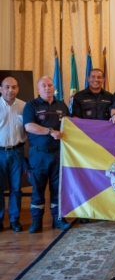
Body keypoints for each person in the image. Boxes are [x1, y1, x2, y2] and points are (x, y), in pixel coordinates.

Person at [23, 76, 71, 233]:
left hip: (58, 153)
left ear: (54, 87)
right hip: (39, 154)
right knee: (38, 188)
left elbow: (70, 125)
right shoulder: (31, 105)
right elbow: (29, 126)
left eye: (50, 85)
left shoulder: (62, 105)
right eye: (43, 86)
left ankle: (58, 219)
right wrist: (50, 131)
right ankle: (36, 221)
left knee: (58, 189)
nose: (47, 88)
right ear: (38, 89)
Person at [71, 68, 113, 224]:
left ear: (103, 79)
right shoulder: (79, 96)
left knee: (105, 178)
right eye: (93, 77)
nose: (96, 79)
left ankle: (104, 211)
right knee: (87, 178)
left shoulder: (110, 97)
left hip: (105, 145)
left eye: (100, 77)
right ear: (88, 78)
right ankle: (85, 211)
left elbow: (114, 114)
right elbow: (75, 118)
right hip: (86, 145)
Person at [0, 77, 27, 232]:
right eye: (7, 87)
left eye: (14, 87)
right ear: (1, 89)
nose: (11, 90)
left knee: (16, 188)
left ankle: (14, 220)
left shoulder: (24, 106)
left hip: (17, 151)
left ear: (17, 89)